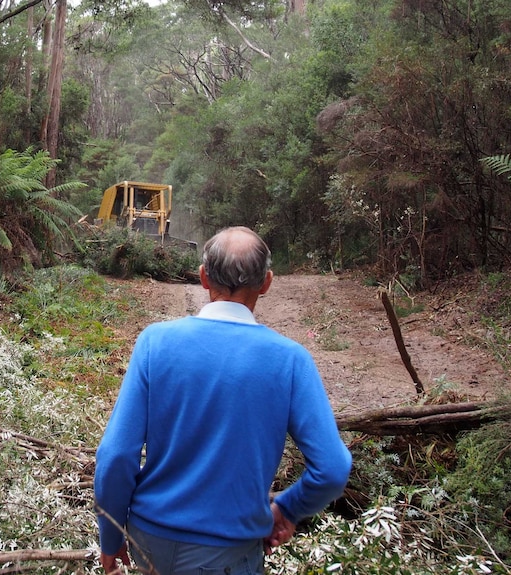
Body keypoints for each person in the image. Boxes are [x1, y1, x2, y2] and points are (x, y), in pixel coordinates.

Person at [94, 226, 352, 575]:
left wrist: (111, 536)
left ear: (203, 278)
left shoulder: (155, 343)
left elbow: (115, 455)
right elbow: (333, 470)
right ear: (267, 283)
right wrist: (287, 509)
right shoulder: (290, 360)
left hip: (149, 541)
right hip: (229, 553)